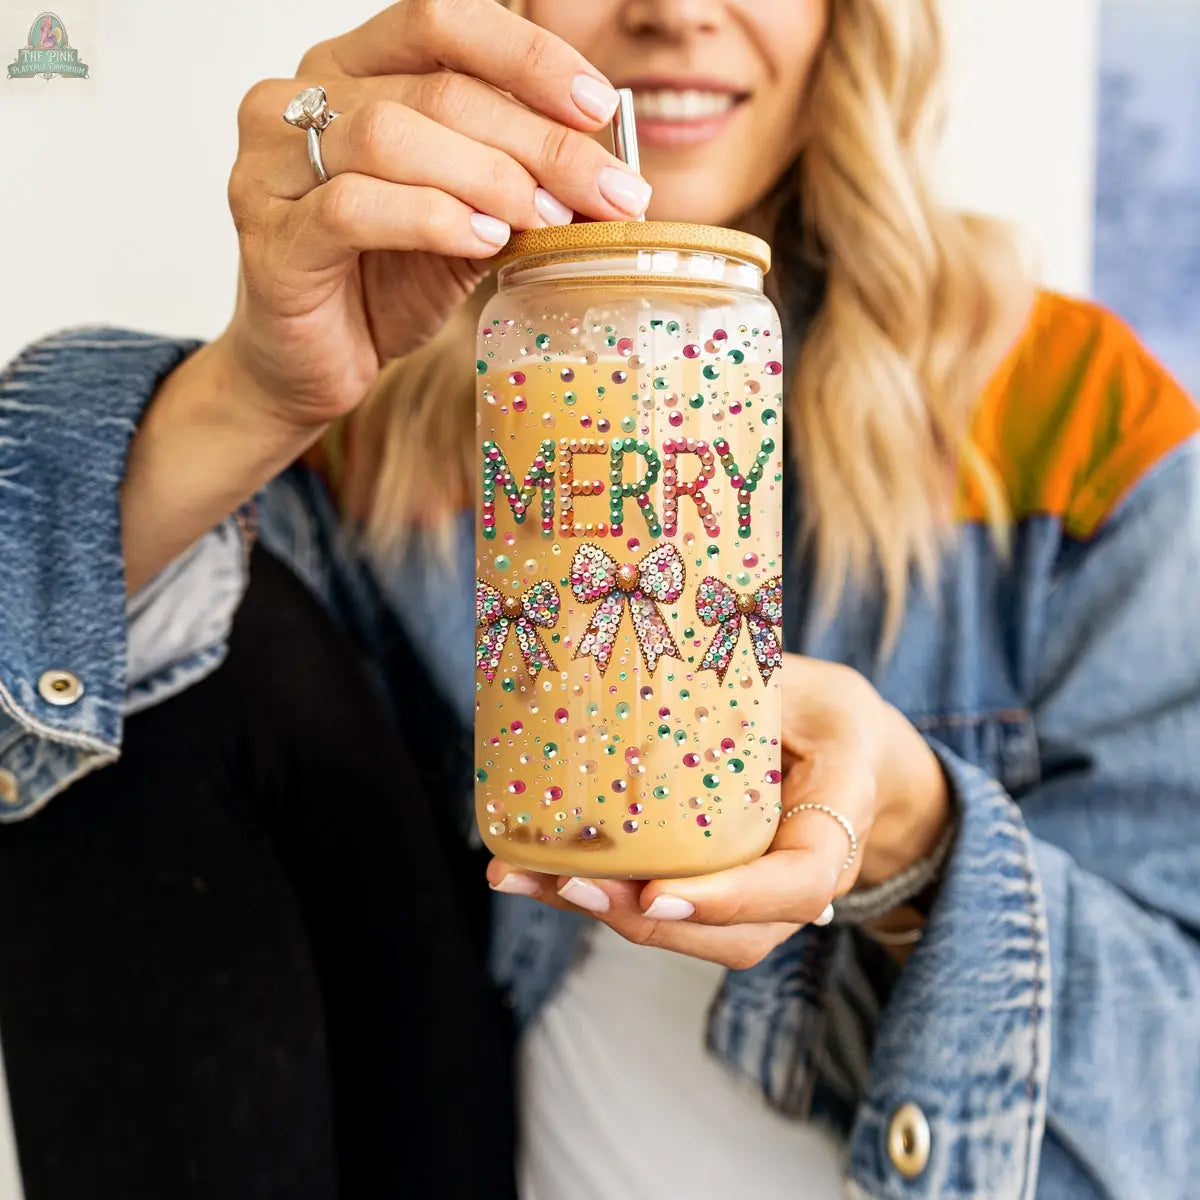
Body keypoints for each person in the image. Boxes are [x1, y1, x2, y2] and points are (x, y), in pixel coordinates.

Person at [2, 0, 1198, 1197]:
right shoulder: (375, 435)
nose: (672, 12)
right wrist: (252, 392)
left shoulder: (1081, 433)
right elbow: (90, 735)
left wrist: (916, 838)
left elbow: (1178, 1082)